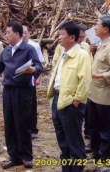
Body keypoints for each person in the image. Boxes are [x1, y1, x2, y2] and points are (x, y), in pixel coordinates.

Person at [0, 21, 43, 169]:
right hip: (8, 91)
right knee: (9, 123)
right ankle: (14, 156)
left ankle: (26, 156)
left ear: (17, 34)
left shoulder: (28, 49)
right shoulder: (6, 51)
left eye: (8, 32)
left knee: (22, 123)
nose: (5, 35)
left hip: (23, 90)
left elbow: (39, 65)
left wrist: (33, 70)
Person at [46, 21, 92, 172]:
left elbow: (85, 80)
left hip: (71, 104)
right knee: (63, 141)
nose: (58, 37)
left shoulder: (82, 55)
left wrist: (76, 101)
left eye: (61, 34)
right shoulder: (63, 53)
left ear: (72, 37)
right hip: (58, 100)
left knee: (75, 143)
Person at [88, 15, 110, 162]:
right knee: (93, 126)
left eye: (98, 25)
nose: (95, 27)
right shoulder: (101, 44)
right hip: (94, 93)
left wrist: (99, 76)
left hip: (106, 95)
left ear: (106, 29)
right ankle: (96, 153)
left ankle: (107, 156)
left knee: (106, 128)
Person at [22, 25, 45, 139]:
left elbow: (39, 63)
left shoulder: (34, 46)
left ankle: (33, 129)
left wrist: (38, 77)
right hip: (19, 80)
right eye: (22, 32)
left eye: (26, 32)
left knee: (32, 105)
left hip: (31, 78)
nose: (24, 35)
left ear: (29, 33)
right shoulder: (15, 46)